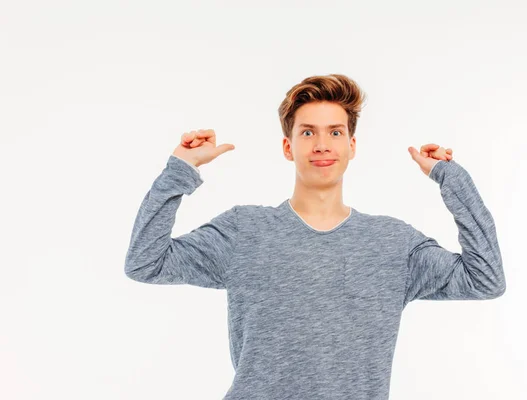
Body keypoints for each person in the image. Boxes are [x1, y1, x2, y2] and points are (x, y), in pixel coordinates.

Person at [124, 74, 506, 399]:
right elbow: (145, 262)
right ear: (289, 147)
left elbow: (485, 280)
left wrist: (451, 178)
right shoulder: (244, 232)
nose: (322, 144)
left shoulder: (394, 244)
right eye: (308, 132)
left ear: (351, 146)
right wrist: (181, 170)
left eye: (335, 132)